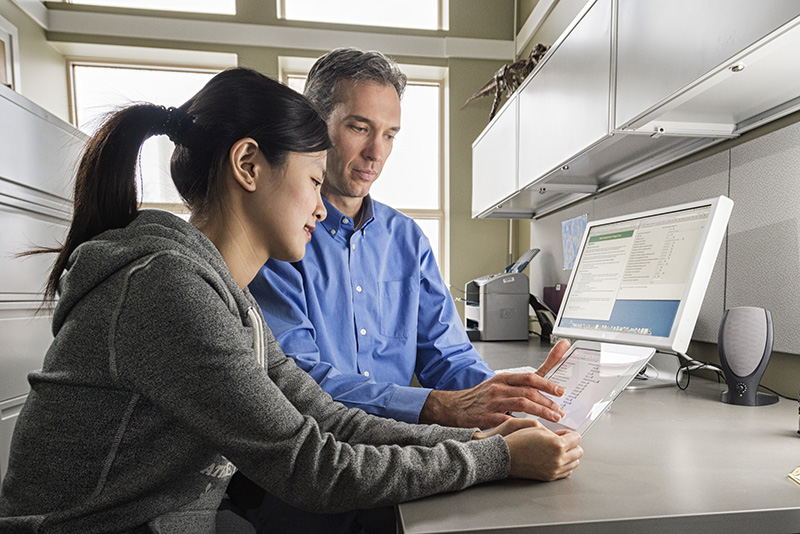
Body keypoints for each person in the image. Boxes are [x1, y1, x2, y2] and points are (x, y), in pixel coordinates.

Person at [0, 67, 582, 534]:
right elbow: (312, 467)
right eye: (310, 181)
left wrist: (479, 439)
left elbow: (327, 417)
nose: (323, 206)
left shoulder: (224, 296)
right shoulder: (167, 289)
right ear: (248, 165)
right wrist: (496, 459)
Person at [249, 47, 569, 430]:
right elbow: (297, 381)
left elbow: (446, 355)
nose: (376, 153)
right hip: (316, 453)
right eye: (359, 128)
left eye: (390, 134)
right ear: (315, 124)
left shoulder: (407, 239)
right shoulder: (278, 239)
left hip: (401, 450)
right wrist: (435, 406)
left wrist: (507, 395)